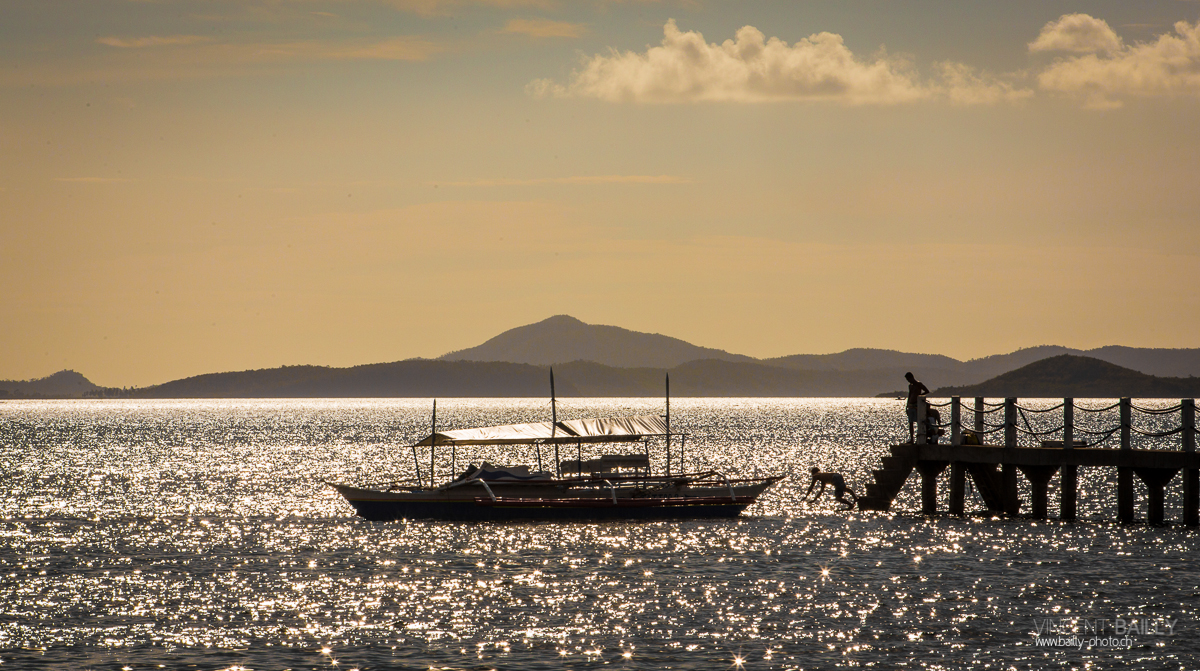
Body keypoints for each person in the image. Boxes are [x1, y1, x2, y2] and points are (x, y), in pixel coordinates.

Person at [905, 372, 929, 443]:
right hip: (911, 406)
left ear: (911, 377)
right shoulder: (910, 386)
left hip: (916, 406)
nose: (908, 381)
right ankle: (912, 439)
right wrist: (907, 406)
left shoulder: (919, 384)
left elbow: (926, 391)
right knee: (911, 422)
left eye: (908, 379)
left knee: (919, 422)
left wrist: (919, 397)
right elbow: (909, 395)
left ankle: (919, 438)